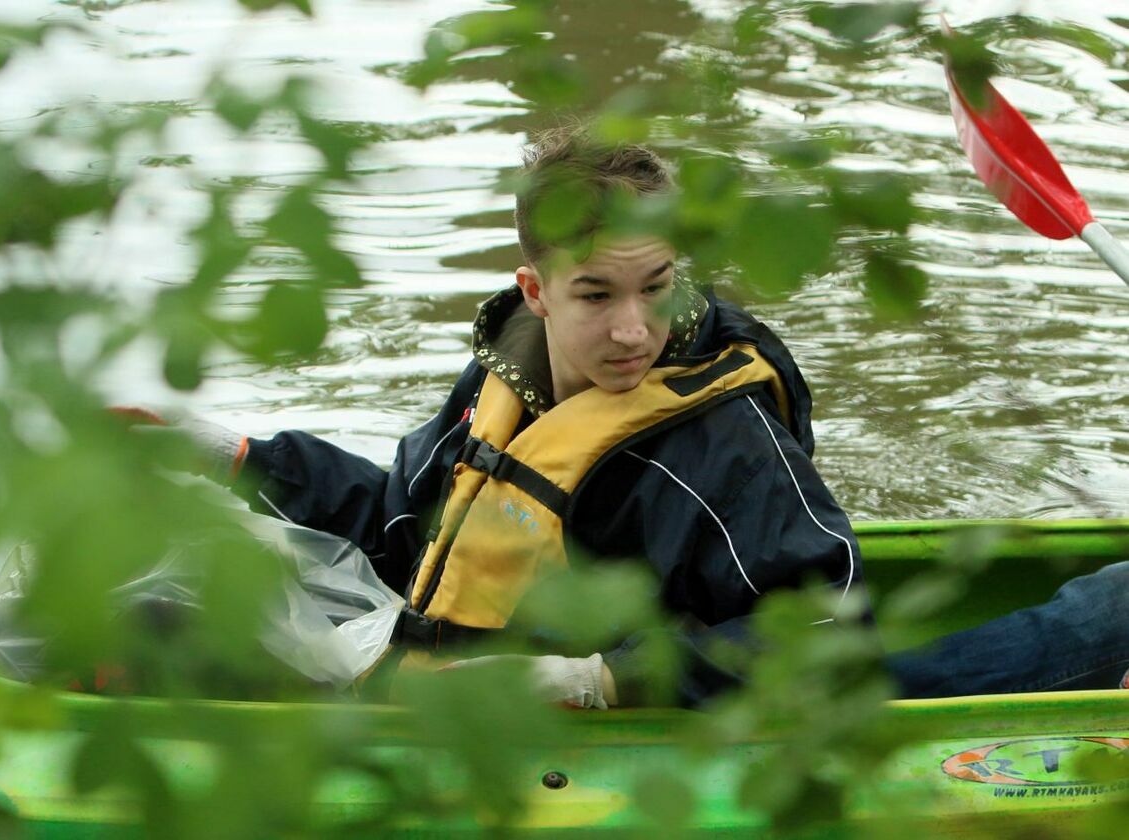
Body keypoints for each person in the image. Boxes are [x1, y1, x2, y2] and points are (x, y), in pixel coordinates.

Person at [138, 126, 1129, 707]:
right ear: (534, 290)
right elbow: (412, 529)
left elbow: (820, 638)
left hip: (714, 684)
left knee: (962, 668)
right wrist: (241, 456)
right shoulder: (502, 377)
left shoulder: (719, 441)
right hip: (590, 657)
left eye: (656, 287)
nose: (632, 331)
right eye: (595, 295)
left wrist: (601, 677)